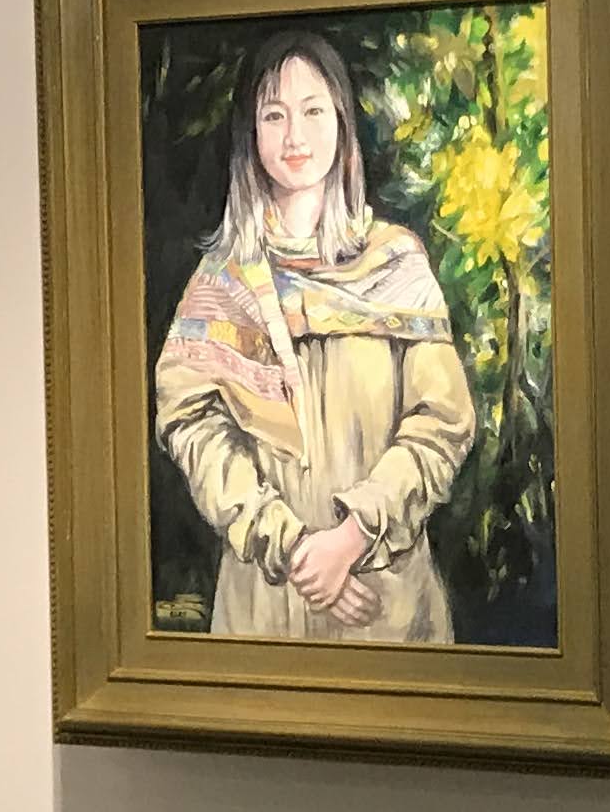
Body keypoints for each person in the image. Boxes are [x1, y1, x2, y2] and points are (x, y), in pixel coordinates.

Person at [152, 31, 477, 642]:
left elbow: (444, 422)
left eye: (312, 111)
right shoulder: (221, 283)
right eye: (274, 116)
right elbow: (190, 424)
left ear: (342, 124)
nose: (294, 137)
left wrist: (352, 536)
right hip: (265, 605)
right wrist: (292, 546)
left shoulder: (396, 263)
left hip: (387, 605)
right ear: (251, 136)